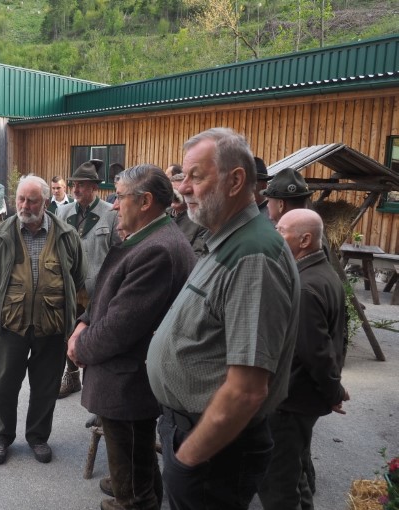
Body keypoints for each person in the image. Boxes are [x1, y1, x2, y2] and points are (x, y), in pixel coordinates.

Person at [146, 127, 300, 510]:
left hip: (212, 451)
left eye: (196, 176)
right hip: (197, 438)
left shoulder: (253, 255)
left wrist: (186, 460)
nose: (183, 188)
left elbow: (246, 391)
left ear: (235, 181)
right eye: (183, 176)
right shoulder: (227, 238)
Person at [67, 164, 195, 510]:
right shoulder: (150, 238)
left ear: (145, 202)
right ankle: (136, 488)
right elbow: (108, 296)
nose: (113, 205)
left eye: (120, 197)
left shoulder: (157, 249)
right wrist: (83, 322)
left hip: (129, 382)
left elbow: (119, 327)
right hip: (125, 379)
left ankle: (132, 499)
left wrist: (79, 347)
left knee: (133, 475)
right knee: (135, 455)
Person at [0, 175, 85, 466]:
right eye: (21, 200)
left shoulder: (66, 235)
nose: (25, 206)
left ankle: (38, 437)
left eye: (32, 201)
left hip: (52, 326)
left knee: (45, 388)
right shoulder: (0, 235)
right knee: (5, 386)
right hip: (10, 325)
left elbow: (77, 277)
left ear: (46, 203)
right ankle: (1, 437)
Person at [258, 209, 349, 510]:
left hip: (291, 400)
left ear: (305, 240)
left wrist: (333, 391)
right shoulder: (323, 272)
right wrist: (334, 387)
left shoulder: (306, 285)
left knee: (278, 486)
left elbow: (316, 351)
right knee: (295, 475)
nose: (275, 235)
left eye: (281, 231)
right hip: (301, 398)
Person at [55, 159, 120, 398]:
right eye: (74, 184)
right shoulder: (63, 212)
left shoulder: (110, 213)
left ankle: (95, 384)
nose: (76, 189)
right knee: (68, 332)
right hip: (70, 287)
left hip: (98, 288)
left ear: (94, 187)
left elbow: (118, 254)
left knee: (95, 336)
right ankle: (72, 377)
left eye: (81, 185)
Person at [169, 172, 207, 258]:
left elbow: (196, 256)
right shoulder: (162, 215)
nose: (174, 196)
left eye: (178, 192)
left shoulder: (200, 222)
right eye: (172, 192)